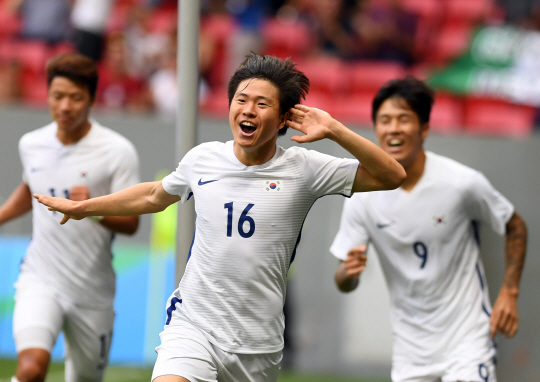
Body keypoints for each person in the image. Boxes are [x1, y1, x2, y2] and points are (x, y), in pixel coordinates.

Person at [33, 53, 406, 382]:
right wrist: (86, 207)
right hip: (194, 324)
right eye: (241, 100)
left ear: (282, 120)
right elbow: (152, 195)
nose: (247, 110)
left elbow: (393, 176)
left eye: (262, 104)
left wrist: (336, 130)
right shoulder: (203, 159)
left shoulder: (305, 168)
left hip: (256, 343)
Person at [331, 77, 527, 382]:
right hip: (411, 351)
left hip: (467, 340)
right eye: (385, 120)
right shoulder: (363, 197)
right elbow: (343, 280)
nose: (393, 128)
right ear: (376, 129)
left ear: (424, 129)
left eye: (403, 119)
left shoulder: (461, 182)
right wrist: (348, 273)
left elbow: (515, 225)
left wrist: (509, 292)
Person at [0, 53, 140, 382]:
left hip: (92, 290)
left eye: (75, 98)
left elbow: (132, 223)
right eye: (57, 96)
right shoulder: (32, 144)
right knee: (31, 368)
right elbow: (31, 187)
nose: (65, 106)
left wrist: (90, 208)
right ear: (47, 95)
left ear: (91, 99)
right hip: (40, 277)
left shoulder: (117, 151)